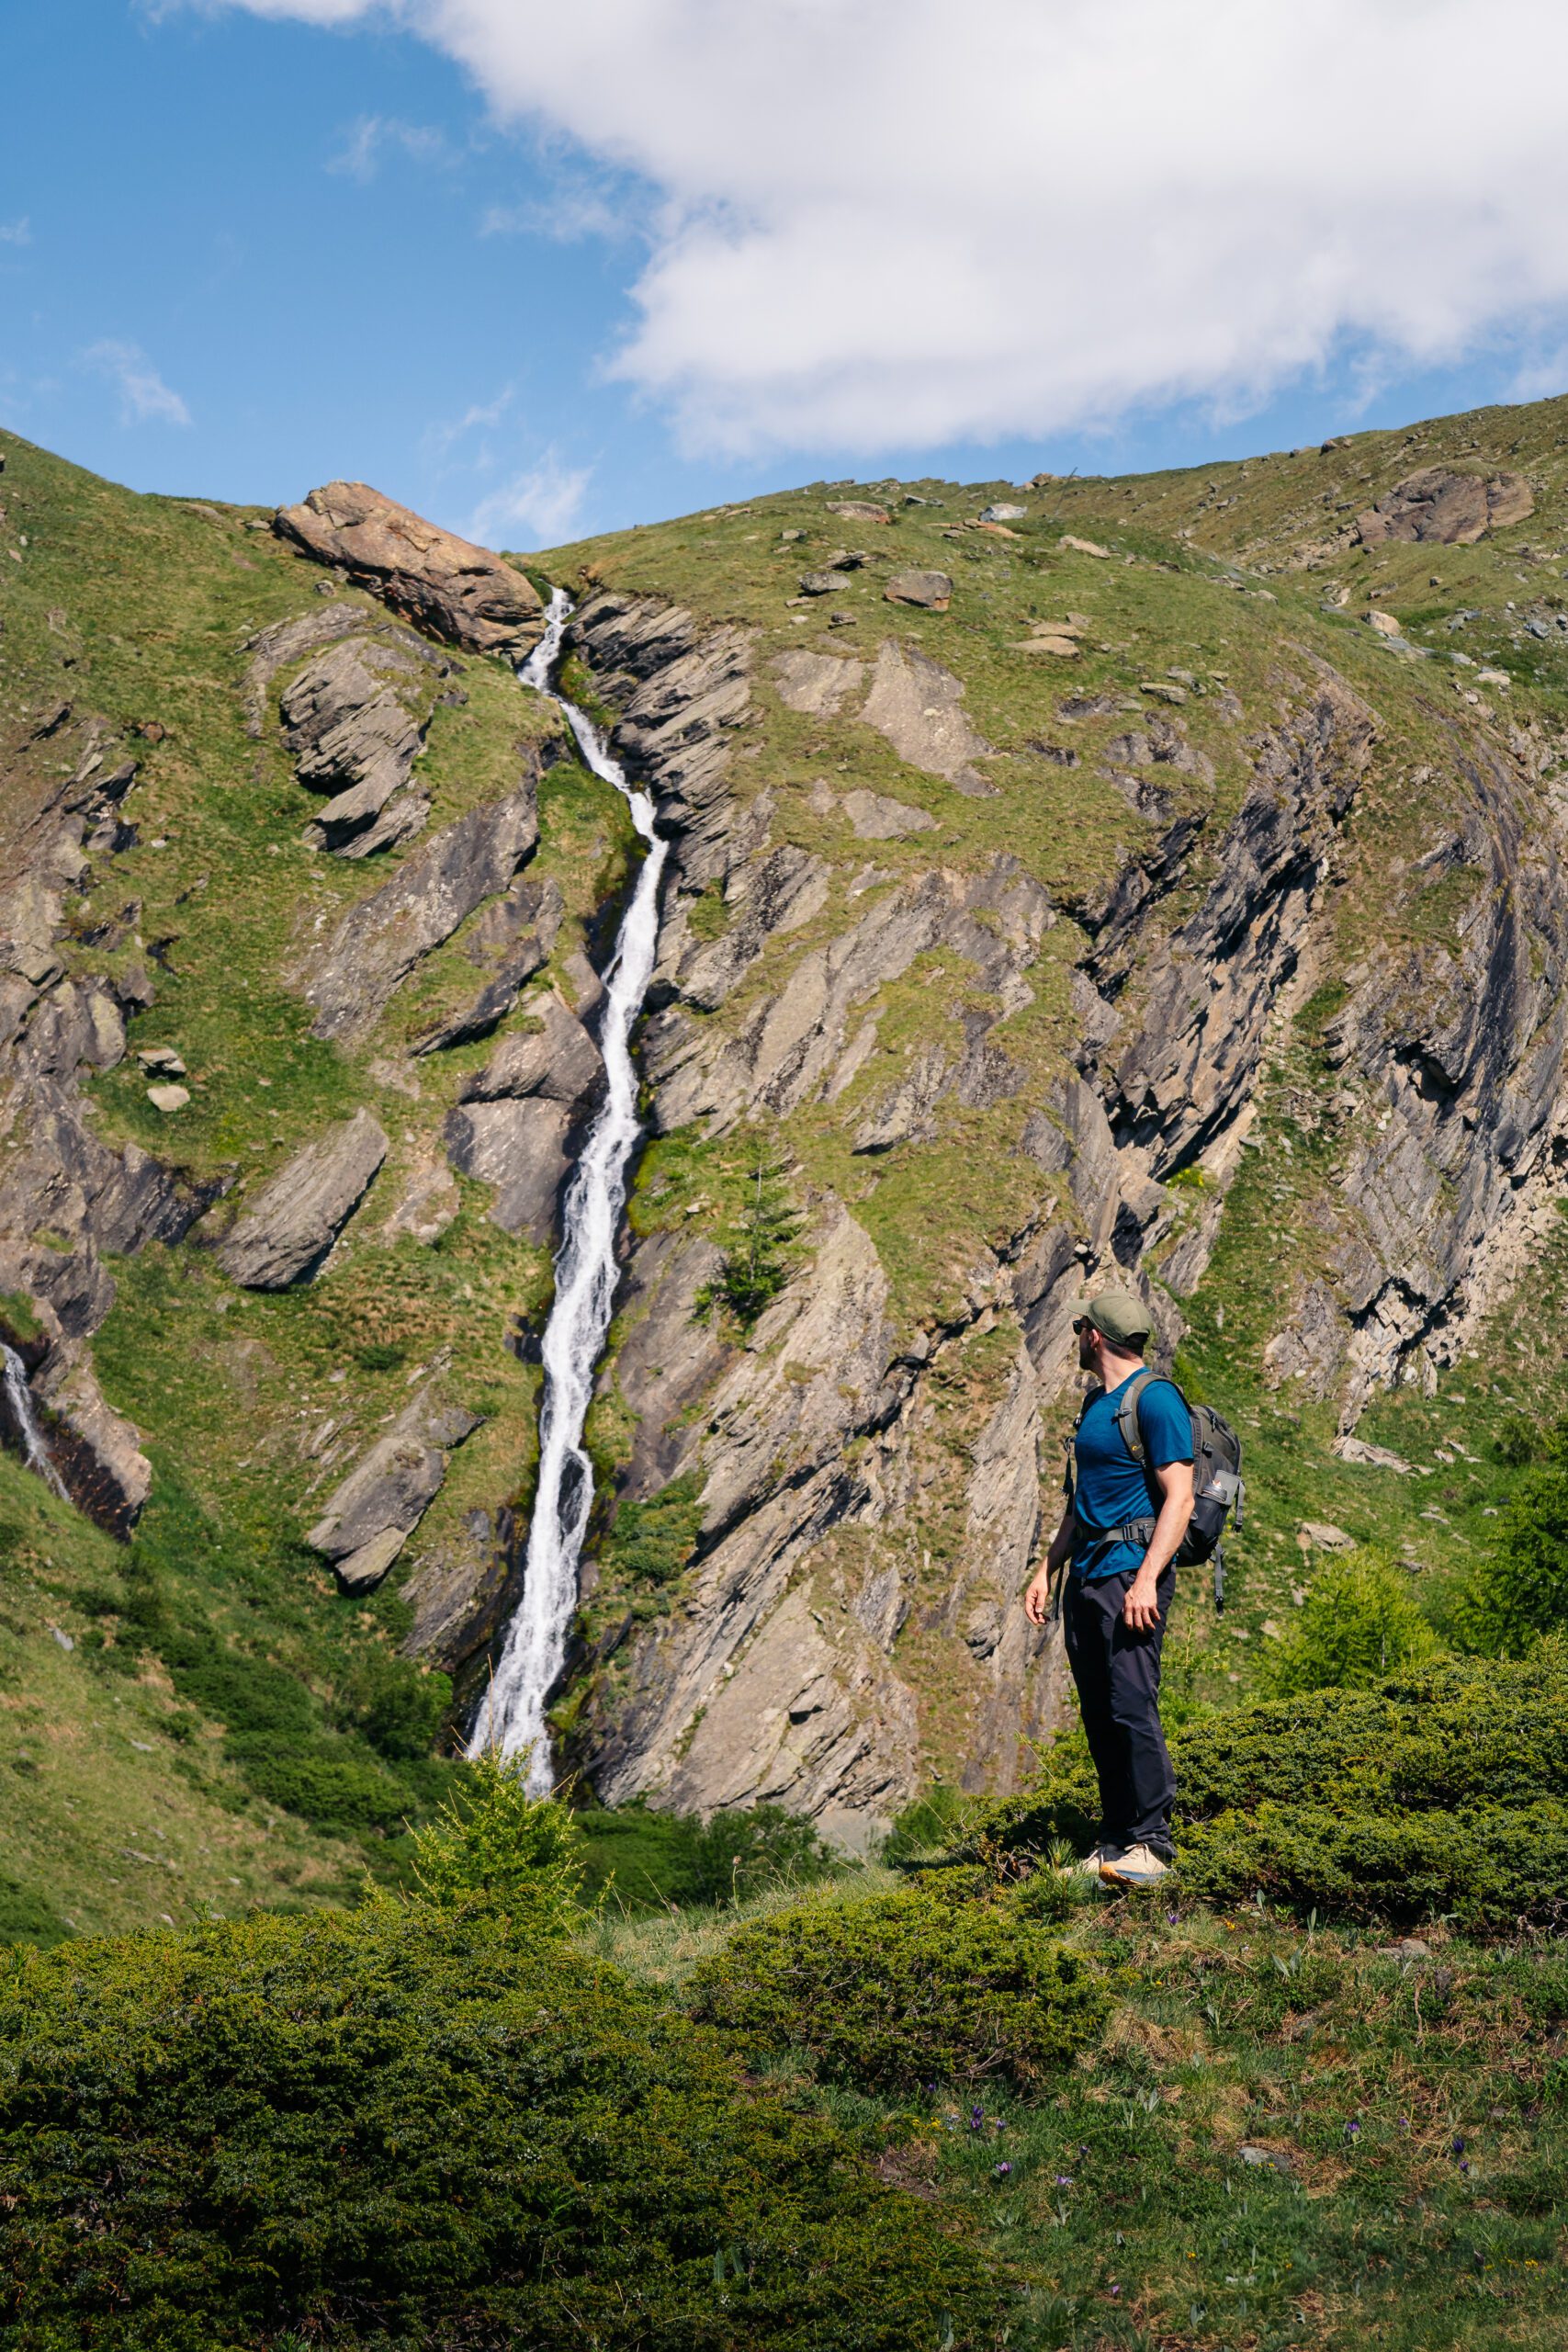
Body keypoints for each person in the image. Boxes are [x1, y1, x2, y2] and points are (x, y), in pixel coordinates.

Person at [1023, 1289, 1193, 1888]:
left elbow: (1180, 1496)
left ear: (1093, 1336)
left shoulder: (1156, 1400)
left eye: (1078, 1329)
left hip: (1129, 1575)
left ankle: (1153, 1844)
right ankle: (1116, 1842)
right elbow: (1079, 1503)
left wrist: (1147, 1578)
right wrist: (1046, 1569)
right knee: (1099, 1712)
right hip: (1087, 1576)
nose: (1075, 1338)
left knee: (1130, 1706)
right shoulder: (1096, 1405)